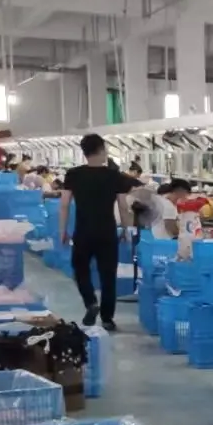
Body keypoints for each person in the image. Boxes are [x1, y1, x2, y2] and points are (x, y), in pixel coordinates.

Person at [58, 132, 135, 330]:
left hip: (83, 230)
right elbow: (123, 206)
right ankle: (107, 318)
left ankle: (91, 302)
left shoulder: (73, 174)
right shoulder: (114, 176)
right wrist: (127, 229)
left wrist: (62, 230)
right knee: (108, 275)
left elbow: (64, 204)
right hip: (107, 231)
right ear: (101, 150)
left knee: (80, 269)